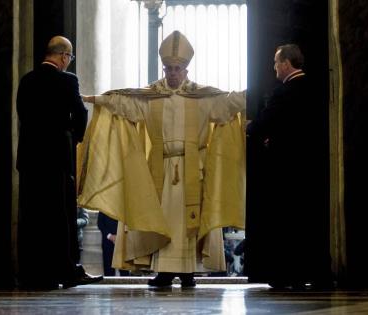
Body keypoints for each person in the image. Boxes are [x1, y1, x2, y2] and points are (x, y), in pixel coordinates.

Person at [79, 31, 246, 287]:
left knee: (190, 223)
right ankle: (165, 272)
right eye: (168, 68)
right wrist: (98, 100)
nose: (172, 73)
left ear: (186, 69)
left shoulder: (202, 98)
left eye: (177, 68)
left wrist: (251, 91)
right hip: (162, 168)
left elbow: (228, 104)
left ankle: (189, 272)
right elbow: (125, 104)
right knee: (162, 220)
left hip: (193, 169)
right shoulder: (151, 97)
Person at [16, 36, 102, 289]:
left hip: (31, 159)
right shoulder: (67, 80)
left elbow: (23, 114)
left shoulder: (26, 80)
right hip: (57, 158)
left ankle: (33, 274)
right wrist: (72, 138)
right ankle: (65, 271)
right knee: (60, 215)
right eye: (70, 57)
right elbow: (81, 112)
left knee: (33, 214)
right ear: (64, 56)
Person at [246, 44, 331, 289]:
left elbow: (268, 121)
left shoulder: (284, 92)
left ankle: (288, 274)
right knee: (310, 221)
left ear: (285, 63)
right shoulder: (316, 88)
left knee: (288, 221)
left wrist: (250, 128)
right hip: (312, 166)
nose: (274, 67)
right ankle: (316, 273)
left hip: (287, 168)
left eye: (276, 62)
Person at [97, 212, 129, 276]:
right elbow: (100, 223)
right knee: (108, 271)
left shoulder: (125, 204)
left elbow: (129, 222)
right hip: (107, 243)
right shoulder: (104, 205)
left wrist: (120, 236)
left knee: (125, 272)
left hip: (123, 241)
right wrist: (110, 236)